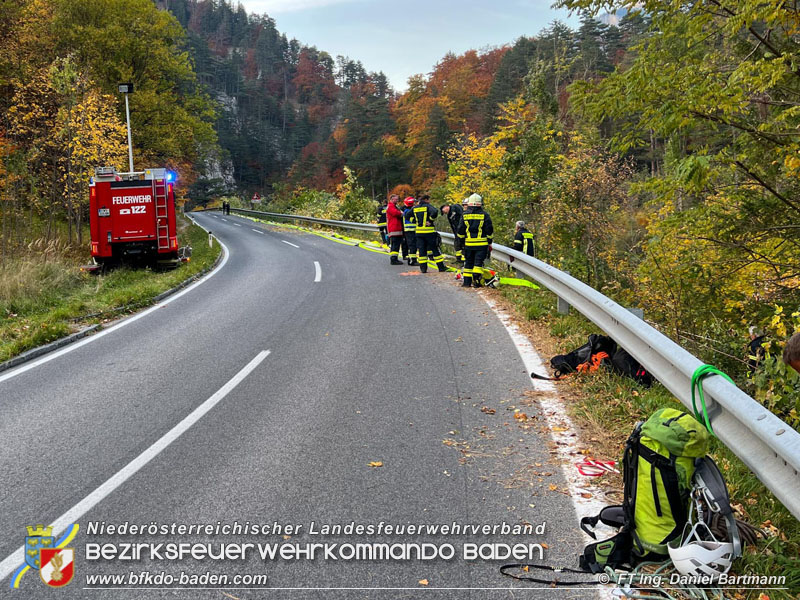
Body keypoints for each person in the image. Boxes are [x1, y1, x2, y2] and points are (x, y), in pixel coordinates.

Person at [457, 193, 493, 288]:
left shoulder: (464, 215)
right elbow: (489, 229)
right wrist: (489, 241)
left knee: (468, 262)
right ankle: (476, 282)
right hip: (481, 244)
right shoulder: (485, 215)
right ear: (480, 204)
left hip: (468, 244)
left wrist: (460, 242)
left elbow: (460, 230)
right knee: (478, 263)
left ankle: (466, 283)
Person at [411, 194, 447, 273]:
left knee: (422, 250)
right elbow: (435, 211)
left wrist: (414, 221)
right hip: (429, 232)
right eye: (429, 200)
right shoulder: (427, 206)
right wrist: (430, 221)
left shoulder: (415, 208)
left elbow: (407, 215)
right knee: (434, 249)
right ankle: (441, 268)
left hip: (419, 232)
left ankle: (423, 269)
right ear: (426, 200)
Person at [386, 194, 405, 265]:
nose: (397, 200)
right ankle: (393, 259)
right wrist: (401, 213)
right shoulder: (391, 206)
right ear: (391, 199)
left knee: (396, 244)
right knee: (395, 244)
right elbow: (395, 213)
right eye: (396, 199)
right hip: (394, 229)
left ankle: (395, 258)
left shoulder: (394, 206)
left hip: (396, 228)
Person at [402, 197, 418, 265]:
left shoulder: (407, 210)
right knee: (412, 246)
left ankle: (412, 259)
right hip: (410, 230)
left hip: (410, 230)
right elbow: (412, 220)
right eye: (414, 202)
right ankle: (412, 261)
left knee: (412, 245)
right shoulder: (408, 211)